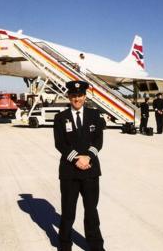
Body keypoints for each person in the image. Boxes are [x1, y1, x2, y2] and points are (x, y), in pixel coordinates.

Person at [53, 80, 105, 251]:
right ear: (69, 96)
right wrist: (77, 159)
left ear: (85, 96)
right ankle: (65, 245)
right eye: (74, 95)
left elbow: (98, 141)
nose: (77, 99)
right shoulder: (60, 118)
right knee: (68, 212)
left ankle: (96, 245)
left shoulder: (95, 115)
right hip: (69, 172)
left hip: (90, 171)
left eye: (80, 95)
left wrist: (88, 157)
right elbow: (60, 144)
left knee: (91, 211)